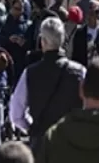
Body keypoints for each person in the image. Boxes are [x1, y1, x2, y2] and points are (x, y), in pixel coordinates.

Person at [9, 17, 86, 146]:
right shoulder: (80, 72)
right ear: (62, 40)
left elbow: (16, 114)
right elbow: (88, 107)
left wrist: (32, 128)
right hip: (72, 143)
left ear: (42, 41)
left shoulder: (30, 73)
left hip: (42, 143)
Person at [69, 0, 99, 67]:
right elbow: (74, 53)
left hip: (97, 71)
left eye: (96, 12)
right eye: (90, 11)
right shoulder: (80, 32)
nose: (93, 15)